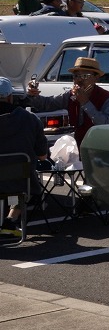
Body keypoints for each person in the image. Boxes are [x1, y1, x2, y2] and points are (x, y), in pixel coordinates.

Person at [26, 57, 109, 145]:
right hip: (75, 147)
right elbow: (48, 103)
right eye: (76, 76)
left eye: (85, 76)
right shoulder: (70, 95)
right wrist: (33, 95)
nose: (79, 80)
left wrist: (85, 103)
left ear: (96, 78)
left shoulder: (107, 98)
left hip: (97, 147)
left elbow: (106, 124)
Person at [0, 76, 51, 234]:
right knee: (20, 189)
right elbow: (42, 155)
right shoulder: (30, 119)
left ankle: (8, 224)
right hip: (20, 180)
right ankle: (10, 221)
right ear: (10, 97)